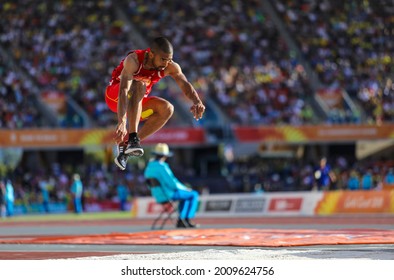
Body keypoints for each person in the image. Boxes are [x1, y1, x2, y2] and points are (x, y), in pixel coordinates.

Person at [105, 37, 206, 170]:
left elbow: (184, 84)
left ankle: (127, 146)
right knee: (140, 83)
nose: (166, 63)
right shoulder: (134, 60)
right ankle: (133, 137)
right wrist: (122, 121)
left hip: (136, 104)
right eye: (163, 59)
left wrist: (197, 101)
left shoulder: (170, 66)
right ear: (151, 54)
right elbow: (123, 90)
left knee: (168, 109)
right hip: (115, 98)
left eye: (169, 59)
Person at [144, 143, 199, 228]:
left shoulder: (149, 167)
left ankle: (182, 220)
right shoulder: (162, 167)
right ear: (164, 156)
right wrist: (185, 189)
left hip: (157, 195)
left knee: (184, 197)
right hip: (168, 194)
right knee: (193, 194)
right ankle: (185, 219)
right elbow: (172, 183)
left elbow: (148, 184)